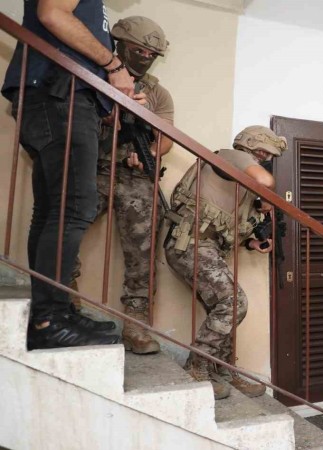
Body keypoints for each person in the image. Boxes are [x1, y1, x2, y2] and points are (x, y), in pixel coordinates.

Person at [2, 0, 136, 348]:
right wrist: (114, 65)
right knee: (74, 207)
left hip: (59, 97)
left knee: (53, 209)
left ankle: (53, 312)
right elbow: (51, 13)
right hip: (60, 96)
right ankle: (50, 320)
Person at [72, 16, 173, 355]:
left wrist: (150, 151)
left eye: (151, 54)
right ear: (121, 44)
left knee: (143, 254)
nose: (145, 57)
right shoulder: (97, 71)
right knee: (66, 230)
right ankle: (63, 302)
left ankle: (136, 325)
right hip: (93, 167)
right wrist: (108, 112)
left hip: (135, 178)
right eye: (139, 50)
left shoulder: (157, 92)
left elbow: (166, 139)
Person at [164, 125, 286, 400]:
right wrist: (266, 198)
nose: (265, 157)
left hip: (203, 245)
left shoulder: (238, 180)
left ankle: (223, 370)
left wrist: (251, 243)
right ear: (249, 144)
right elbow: (265, 180)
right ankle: (197, 366)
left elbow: (222, 227)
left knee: (225, 308)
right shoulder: (233, 156)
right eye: (263, 152)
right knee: (234, 302)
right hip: (189, 244)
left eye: (268, 155)